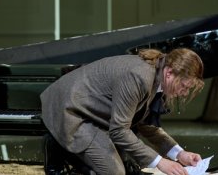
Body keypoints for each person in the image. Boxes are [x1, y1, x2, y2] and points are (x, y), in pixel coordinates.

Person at [40, 48, 204, 175]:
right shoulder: (139, 77)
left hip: (94, 113)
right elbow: (119, 130)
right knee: (114, 172)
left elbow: (146, 125)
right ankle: (58, 145)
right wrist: (160, 162)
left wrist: (179, 154)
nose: (184, 93)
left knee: (123, 167)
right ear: (169, 73)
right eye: (184, 86)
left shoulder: (158, 75)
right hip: (70, 110)